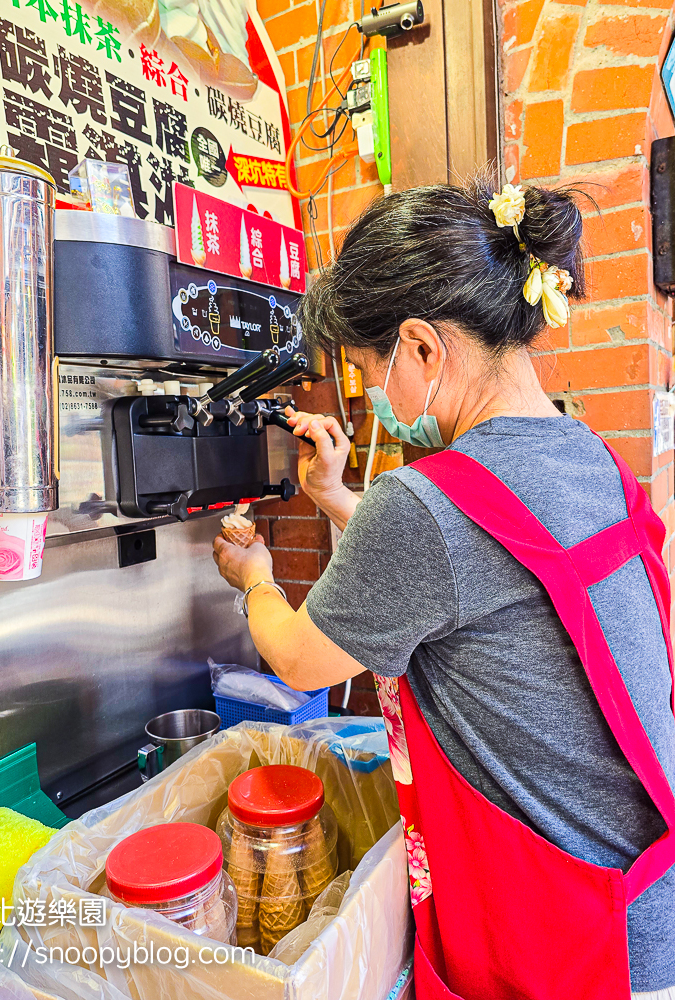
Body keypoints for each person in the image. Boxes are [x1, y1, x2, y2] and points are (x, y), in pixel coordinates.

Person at [212, 178, 675, 1000]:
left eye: (367, 369)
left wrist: (254, 580)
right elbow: (470, 567)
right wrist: (334, 496)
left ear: (424, 349)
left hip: (574, 942)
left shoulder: (424, 503)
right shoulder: (586, 454)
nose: (374, 397)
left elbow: (298, 660)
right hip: (646, 894)